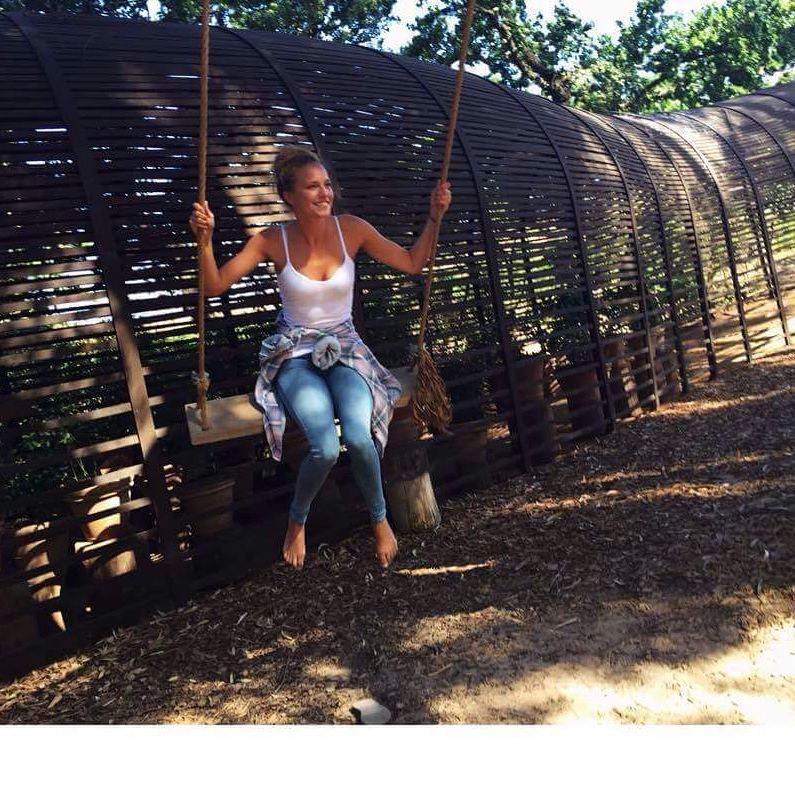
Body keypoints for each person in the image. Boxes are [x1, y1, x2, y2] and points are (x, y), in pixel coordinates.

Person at [189, 146, 452, 570]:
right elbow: (215, 285)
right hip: (294, 354)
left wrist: (434, 217)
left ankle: (379, 519)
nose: (324, 193)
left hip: (344, 348)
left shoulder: (353, 229)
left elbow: (412, 262)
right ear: (288, 196)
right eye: (312, 186)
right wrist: (204, 242)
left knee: (360, 437)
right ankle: (297, 520)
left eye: (327, 185)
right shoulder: (272, 240)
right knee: (326, 448)